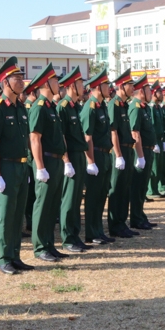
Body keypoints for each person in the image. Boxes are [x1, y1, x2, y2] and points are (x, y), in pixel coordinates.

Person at [0, 57, 34, 274]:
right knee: (6, 215)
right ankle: (4, 257)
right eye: (17, 78)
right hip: (6, 168)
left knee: (18, 213)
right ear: (5, 82)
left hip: (22, 167)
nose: (22, 81)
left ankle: (15, 255)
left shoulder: (20, 108)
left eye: (22, 77)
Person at [26, 63, 70, 262]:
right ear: (46, 83)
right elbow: (34, 138)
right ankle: (40, 246)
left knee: (53, 206)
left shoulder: (51, 107)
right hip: (46, 162)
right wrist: (40, 167)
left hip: (56, 161)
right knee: (42, 205)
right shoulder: (39, 108)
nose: (59, 84)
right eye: (55, 80)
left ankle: (49, 244)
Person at [57, 67, 94, 253]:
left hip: (79, 156)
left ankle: (75, 235)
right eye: (80, 84)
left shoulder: (75, 107)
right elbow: (61, 136)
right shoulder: (63, 107)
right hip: (70, 157)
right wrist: (66, 161)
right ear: (72, 86)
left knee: (77, 198)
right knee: (69, 199)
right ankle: (67, 238)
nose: (84, 87)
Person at [80, 70, 114, 244]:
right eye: (106, 85)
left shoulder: (102, 106)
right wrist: (91, 161)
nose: (109, 88)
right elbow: (88, 137)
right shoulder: (90, 107)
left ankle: (99, 230)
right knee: (93, 196)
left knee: (102, 194)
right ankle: (91, 233)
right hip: (97, 155)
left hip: (106, 154)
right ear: (97, 88)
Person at [106, 69, 136, 238]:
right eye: (129, 85)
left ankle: (122, 222)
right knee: (116, 188)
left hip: (127, 148)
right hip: (119, 150)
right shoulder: (114, 105)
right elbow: (113, 132)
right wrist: (118, 155)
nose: (133, 88)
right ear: (121, 86)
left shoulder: (124, 105)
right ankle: (114, 224)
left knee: (125, 188)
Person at [128, 74, 158, 230]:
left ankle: (140, 215)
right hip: (141, 152)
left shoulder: (144, 107)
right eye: (148, 90)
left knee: (143, 187)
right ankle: (136, 218)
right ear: (141, 91)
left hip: (148, 150)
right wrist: (140, 156)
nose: (151, 93)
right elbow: (135, 133)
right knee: (138, 187)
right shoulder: (135, 107)